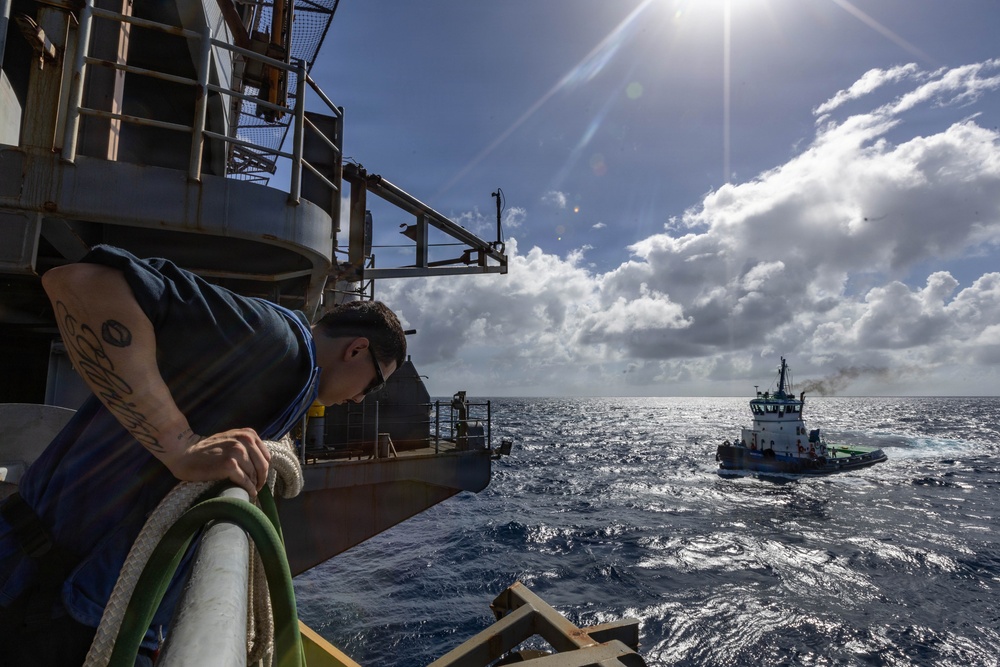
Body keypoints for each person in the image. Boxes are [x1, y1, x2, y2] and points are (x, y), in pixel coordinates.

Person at [0, 245, 405, 665]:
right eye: (373, 383)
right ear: (357, 349)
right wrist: (179, 443)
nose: (361, 399)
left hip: (88, 606)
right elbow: (84, 282)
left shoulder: (295, 375)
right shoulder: (275, 338)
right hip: (40, 594)